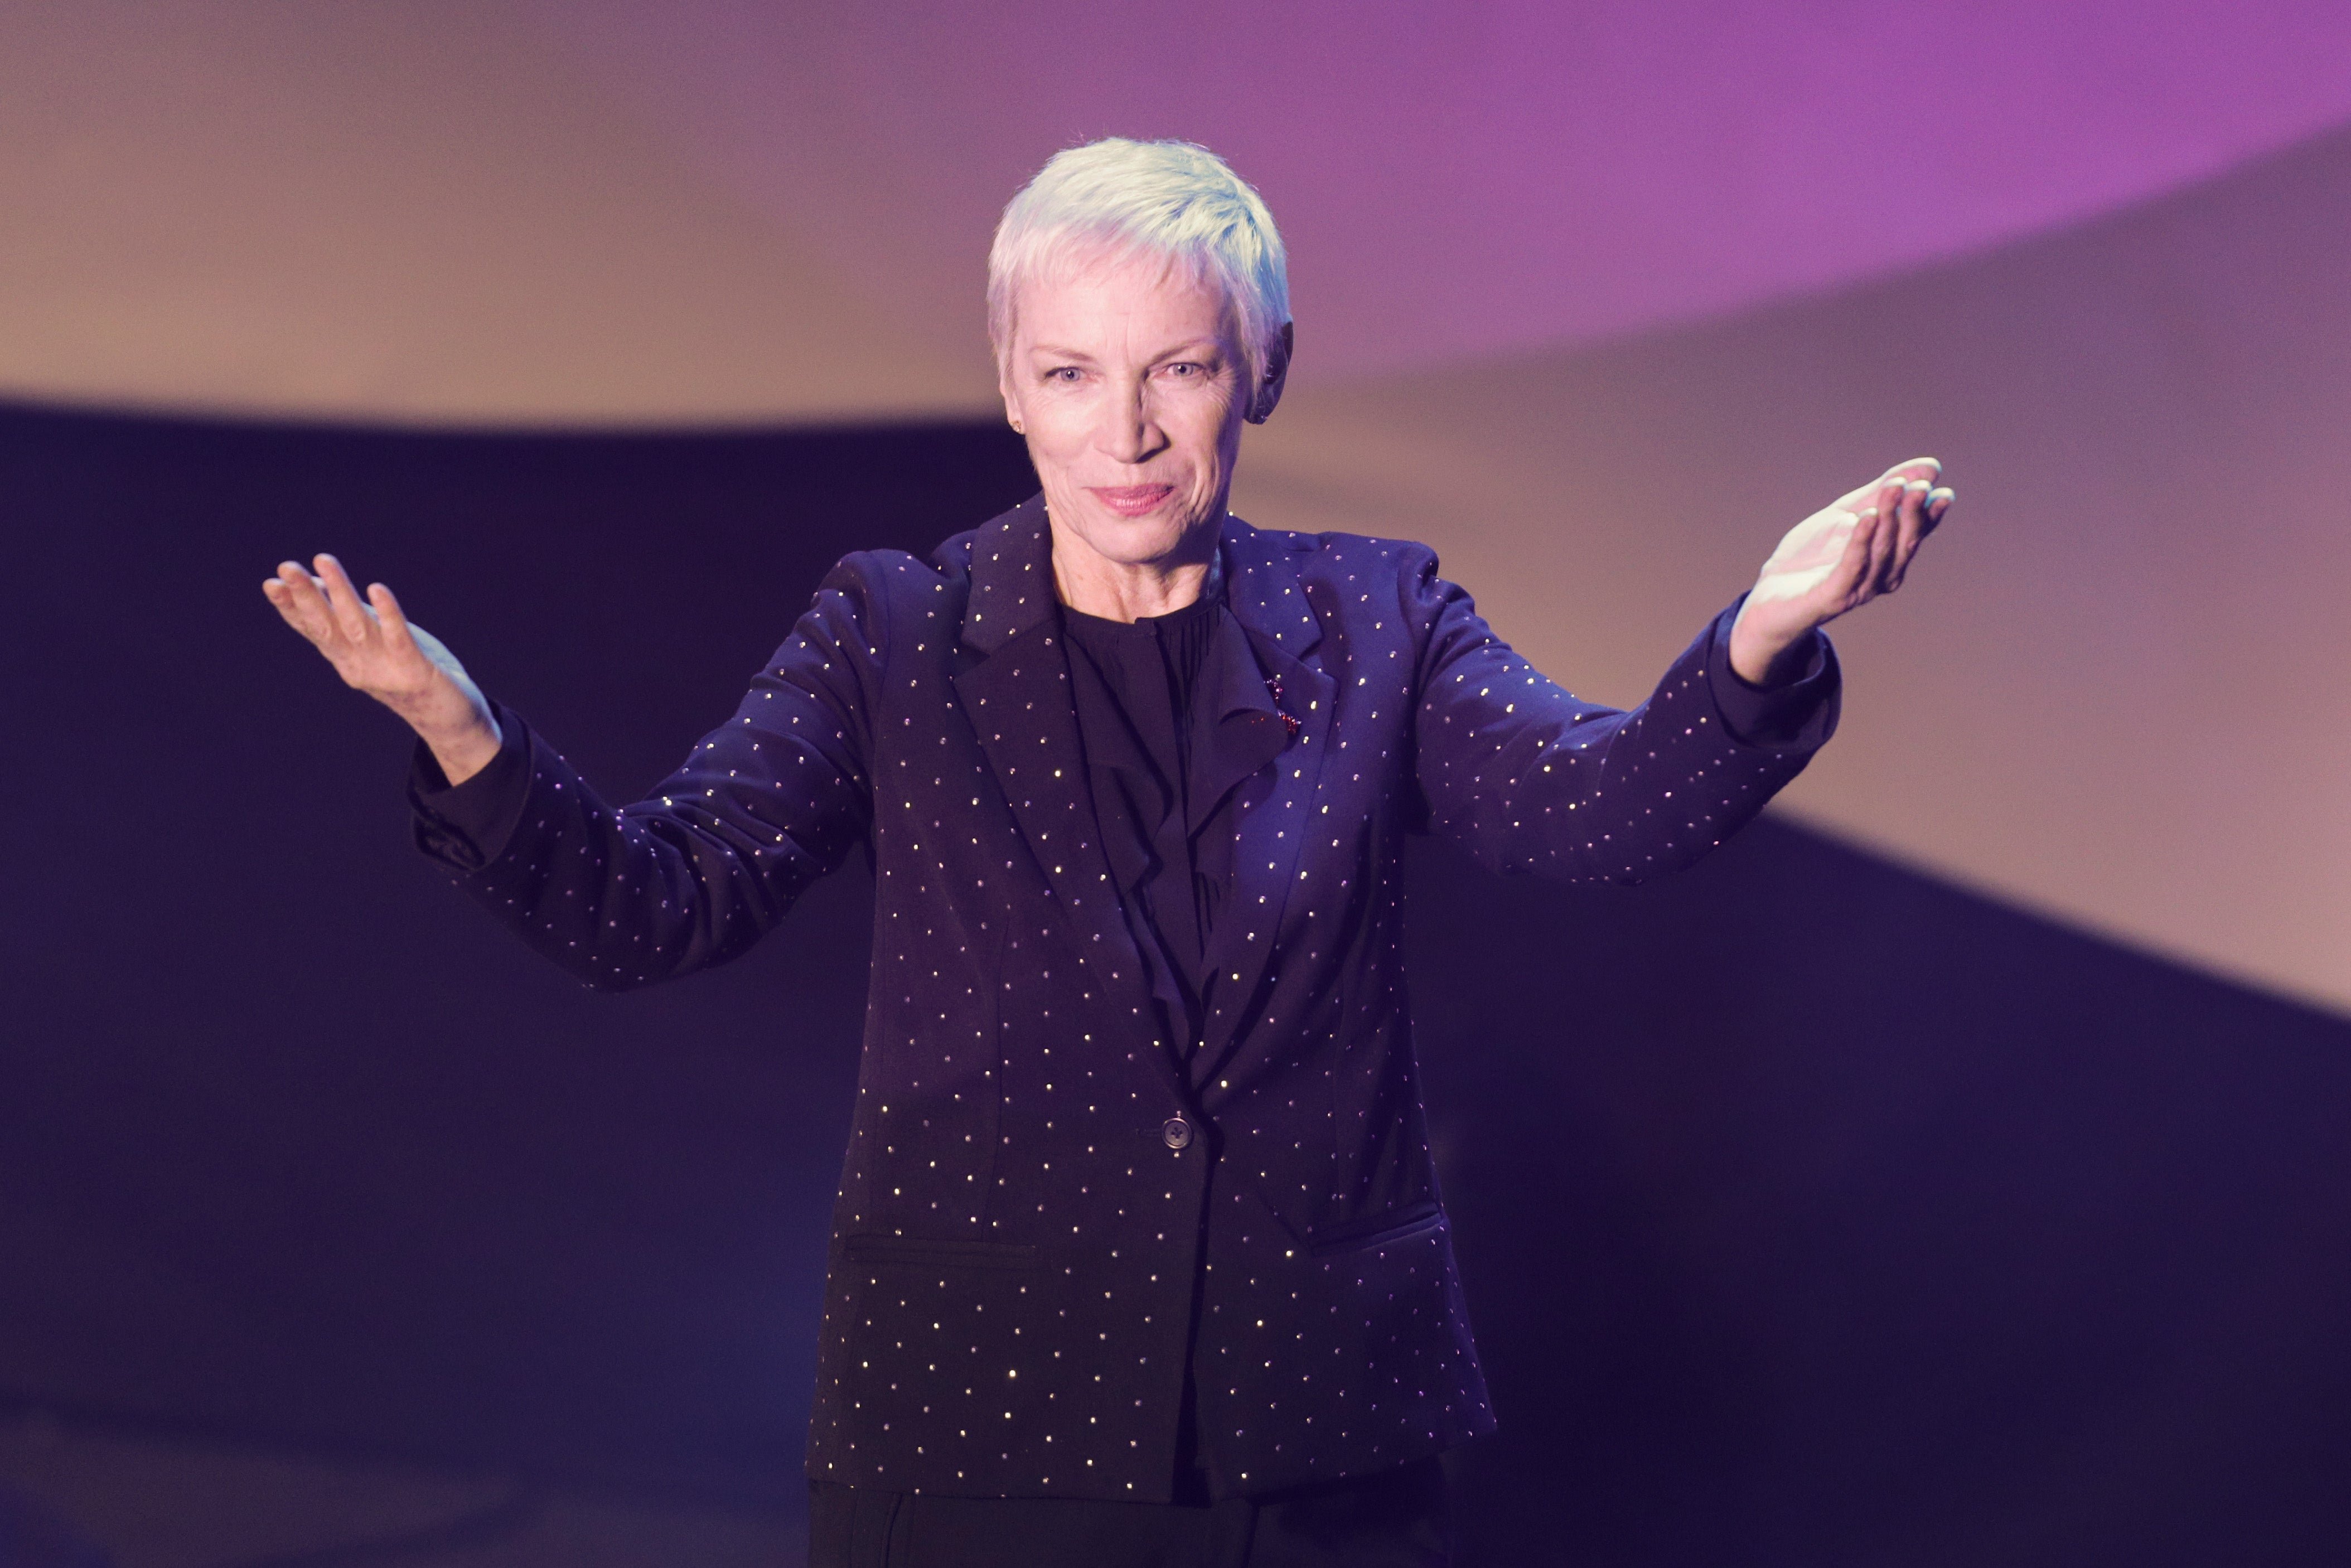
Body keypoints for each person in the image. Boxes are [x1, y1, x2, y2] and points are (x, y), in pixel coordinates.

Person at [263, 138, 1949, 1567]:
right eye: (1072, 373)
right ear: (1012, 384)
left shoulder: (1378, 619)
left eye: (1180, 369)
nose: (1125, 432)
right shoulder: (895, 634)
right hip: (976, 1438)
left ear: (1266, 368)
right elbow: (658, 902)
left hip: (1316, 1444)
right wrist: (470, 743)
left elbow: (1600, 809)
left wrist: (1764, 636)